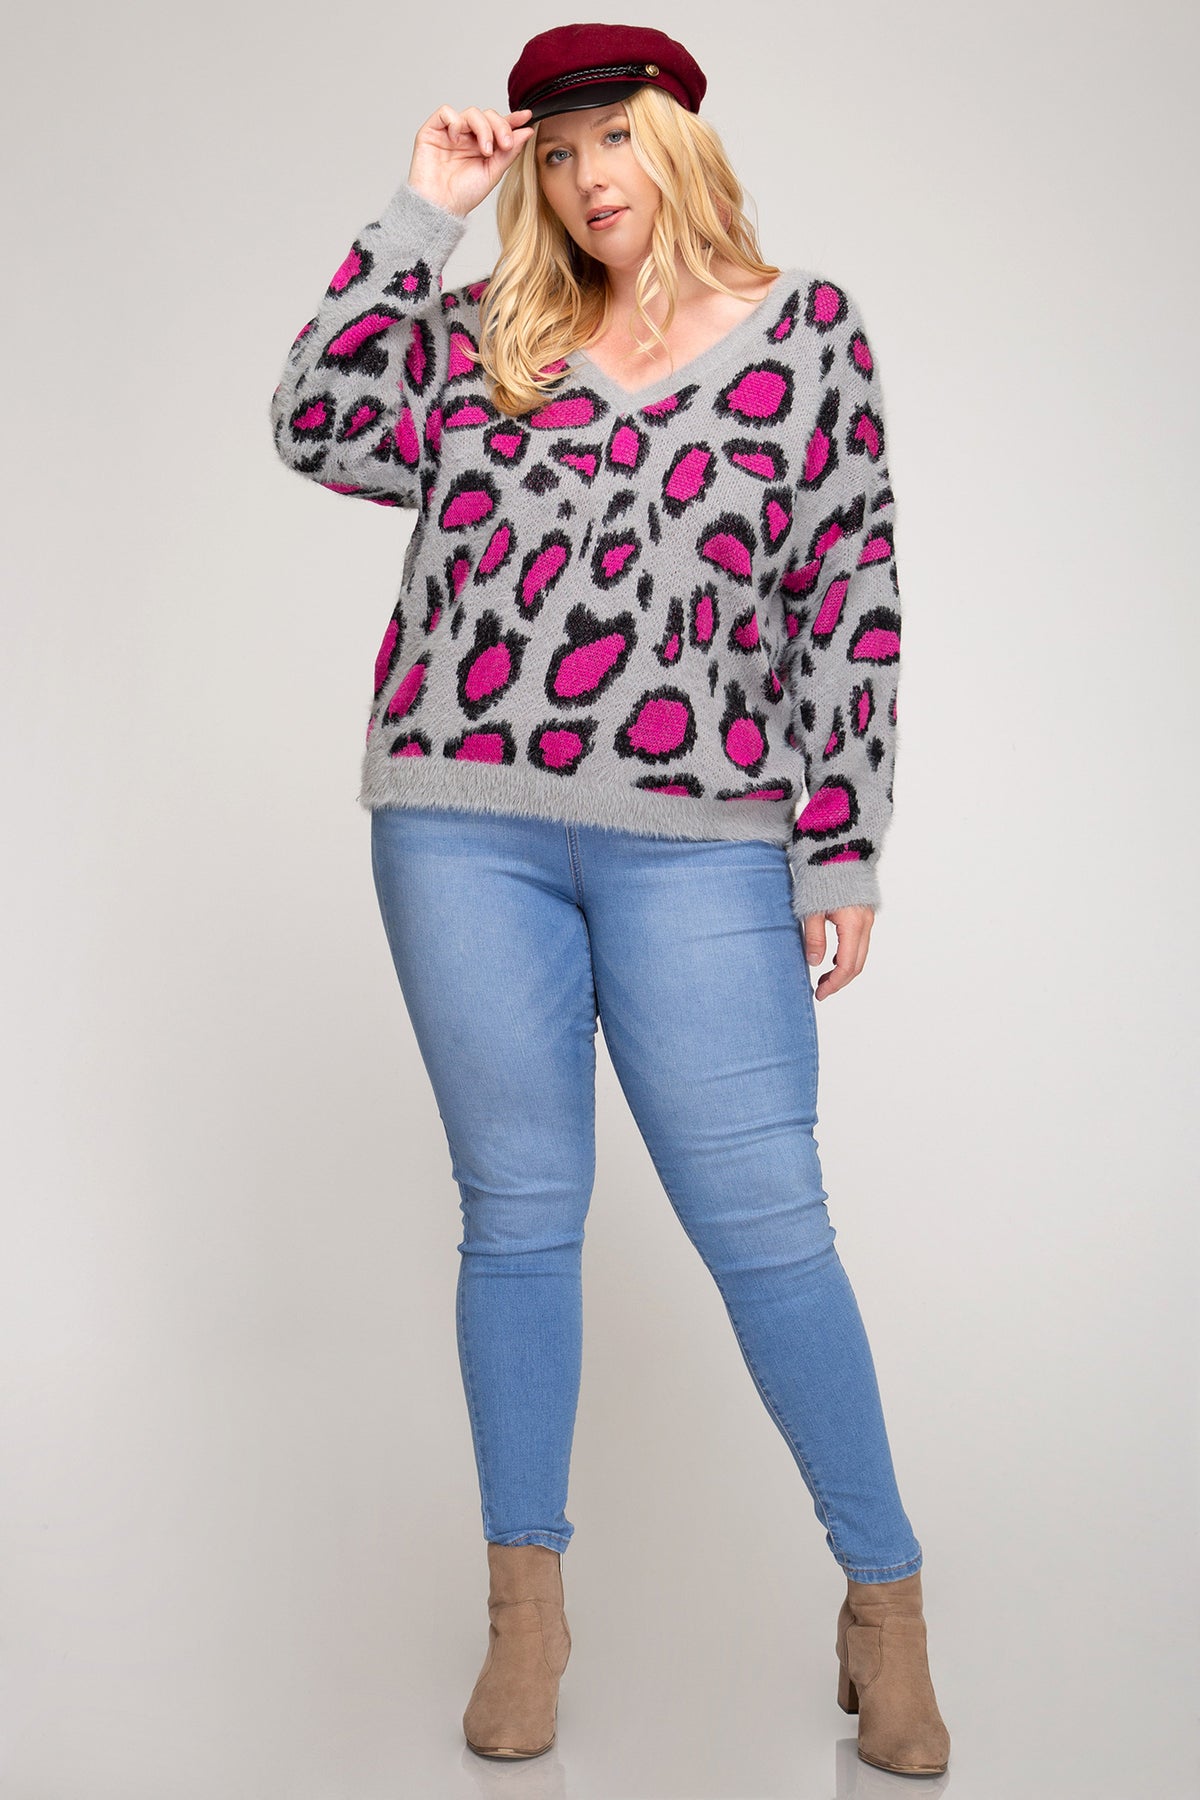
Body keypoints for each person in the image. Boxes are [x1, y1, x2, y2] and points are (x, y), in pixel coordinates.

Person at [268, 20, 950, 1778]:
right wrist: (421, 214)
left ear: (681, 145)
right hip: (460, 826)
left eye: (614, 142)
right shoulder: (490, 334)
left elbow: (850, 596)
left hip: (704, 839)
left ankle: (884, 1604)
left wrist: (840, 842)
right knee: (518, 1218)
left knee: (768, 1228)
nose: (585, 182)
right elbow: (313, 422)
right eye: (556, 155)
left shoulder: (810, 334)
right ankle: (528, 1617)